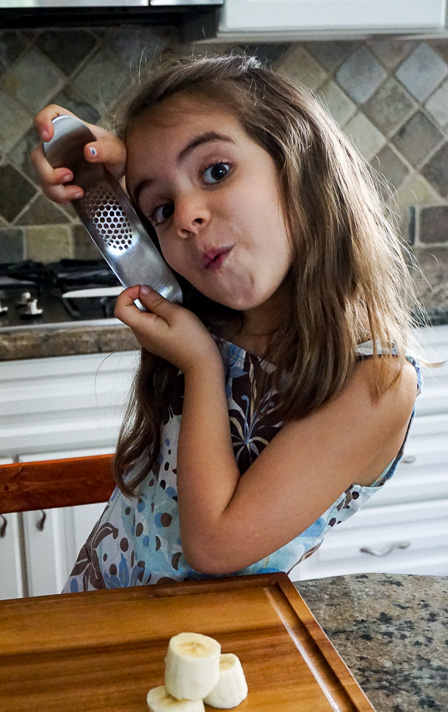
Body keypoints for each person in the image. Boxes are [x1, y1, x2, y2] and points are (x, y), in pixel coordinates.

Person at [31, 51, 422, 592]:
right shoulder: (207, 315)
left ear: (298, 165)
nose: (187, 215)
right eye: (162, 210)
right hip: (100, 618)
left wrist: (201, 367)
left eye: (216, 171)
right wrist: (93, 162)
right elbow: (126, 209)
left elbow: (214, 545)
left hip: (209, 655)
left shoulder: (372, 381)